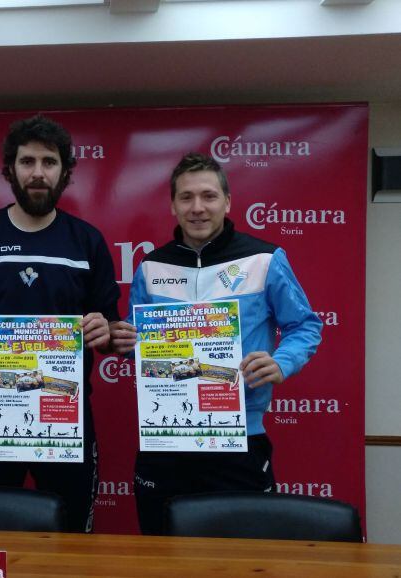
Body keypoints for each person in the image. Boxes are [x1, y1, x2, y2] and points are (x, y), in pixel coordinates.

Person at [110, 152, 322, 535]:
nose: (197, 208)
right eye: (186, 198)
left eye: (208, 196)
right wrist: (126, 340)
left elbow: (305, 326)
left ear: (227, 201)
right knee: (161, 554)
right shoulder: (151, 266)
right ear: (173, 206)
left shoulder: (265, 258)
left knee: (244, 556)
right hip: (166, 438)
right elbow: (138, 341)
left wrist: (283, 362)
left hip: (240, 438)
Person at [0, 114, 120, 533]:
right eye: (27, 162)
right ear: (10, 169)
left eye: (49, 162)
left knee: (72, 536)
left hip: (63, 413)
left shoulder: (87, 240)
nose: (38, 173)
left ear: (64, 172)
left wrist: (105, 332)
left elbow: (111, 333)